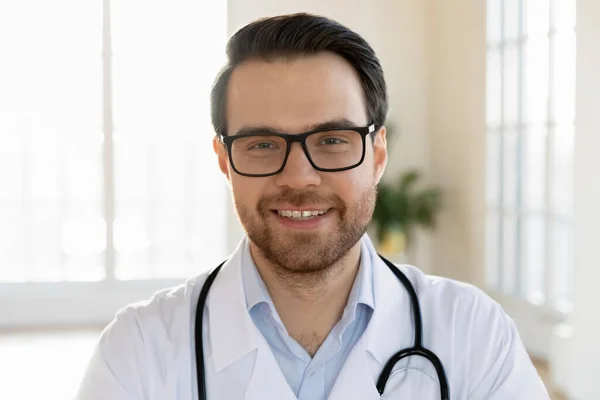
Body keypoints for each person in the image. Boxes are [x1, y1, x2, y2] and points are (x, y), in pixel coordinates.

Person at [77, 13, 550, 400]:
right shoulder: (137, 353)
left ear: (378, 154)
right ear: (225, 160)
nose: (299, 177)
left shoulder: (475, 335)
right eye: (262, 144)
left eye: (331, 140)